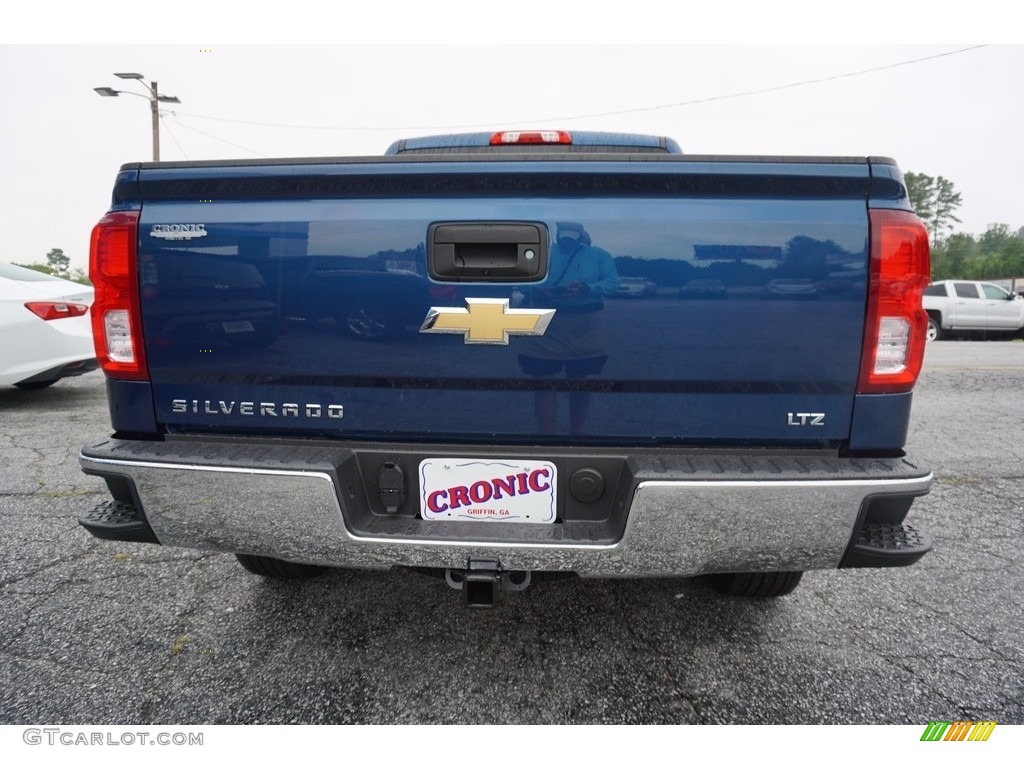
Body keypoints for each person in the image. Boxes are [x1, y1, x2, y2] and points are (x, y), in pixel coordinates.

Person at [518, 222, 619, 434]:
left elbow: (612, 282)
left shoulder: (600, 255)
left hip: (586, 324)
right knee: (544, 382)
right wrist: (539, 290)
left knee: (581, 382)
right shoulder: (540, 253)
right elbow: (519, 278)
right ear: (556, 234)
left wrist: (588, 287)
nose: (567, 241)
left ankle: (578, 432)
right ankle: (547, 434)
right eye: (564, 237)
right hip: (545, 321)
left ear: (581, 235)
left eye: (572, 237)